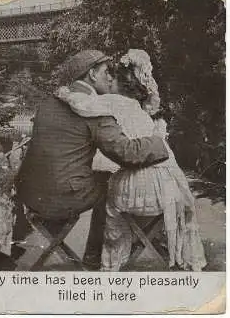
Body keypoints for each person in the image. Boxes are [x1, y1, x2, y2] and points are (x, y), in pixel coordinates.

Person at [15, 49, 170, 269]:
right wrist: (158, 139)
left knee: (101, 179)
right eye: (107, 71)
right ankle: (94, 257)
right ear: (92, 74)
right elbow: (127, 153)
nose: (111, 77)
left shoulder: (50, 101)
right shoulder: (93, 109)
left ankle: (99, 252)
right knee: (113, 186)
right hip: (60, 200)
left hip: (30, 196)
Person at [56, 49, 207, 271]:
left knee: (110, 202)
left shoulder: (114, 101)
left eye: (112, 77)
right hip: (168, 187)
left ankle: (111, 262)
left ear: (120, 83)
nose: (108, 81)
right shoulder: (136, 107)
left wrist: (64, 93)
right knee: (116, 181)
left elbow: (81, 104)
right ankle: (141, 246)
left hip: (146, 189)